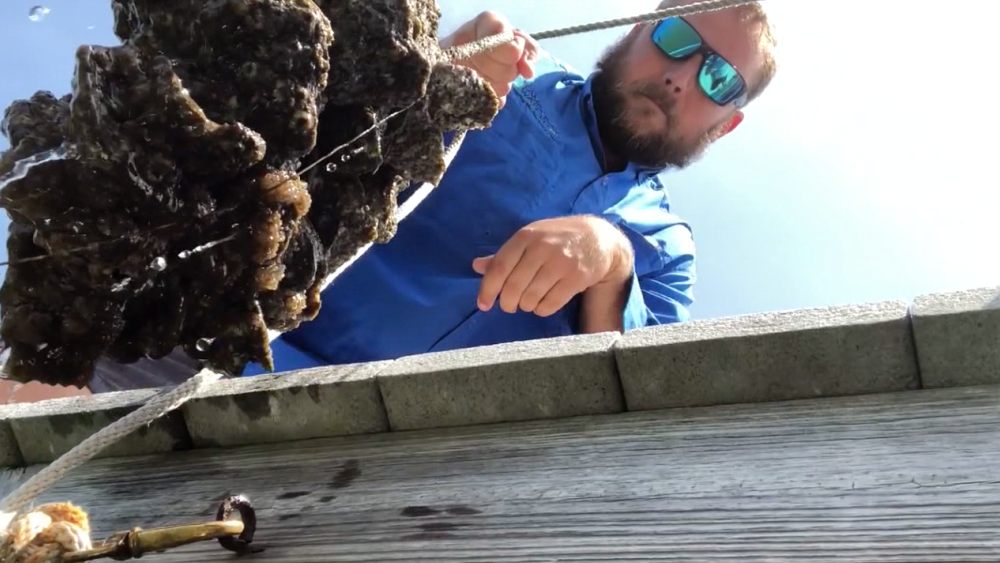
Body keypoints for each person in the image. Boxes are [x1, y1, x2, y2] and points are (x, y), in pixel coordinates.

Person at [88, 0, 779, 390]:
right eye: (677, 37)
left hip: (398, 468)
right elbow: (313, 141)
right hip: (209, 346)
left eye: (721, 80)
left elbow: (640, 390)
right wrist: (434, 61)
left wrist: (610, 259)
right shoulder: (520, 77)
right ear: (637, 30)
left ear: (727, 124)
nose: (683, 76)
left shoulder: (662, 252)